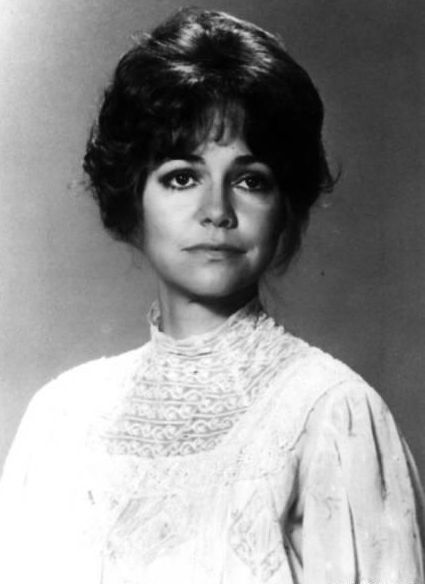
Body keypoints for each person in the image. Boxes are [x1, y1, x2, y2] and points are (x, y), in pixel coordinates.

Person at [0, 7, 423, 584]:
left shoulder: (331, 413)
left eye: (250, 180)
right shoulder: (61, 418)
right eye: (182, 176)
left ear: (285, 209)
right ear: (133, 198)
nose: (217, 211)